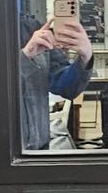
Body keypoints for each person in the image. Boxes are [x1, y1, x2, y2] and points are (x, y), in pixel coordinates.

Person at [19, 9, 93, 150]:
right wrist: (25, 56)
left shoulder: (33, 28)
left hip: (40, 148)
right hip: (7, 150)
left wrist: (86, 56)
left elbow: (66, 88)